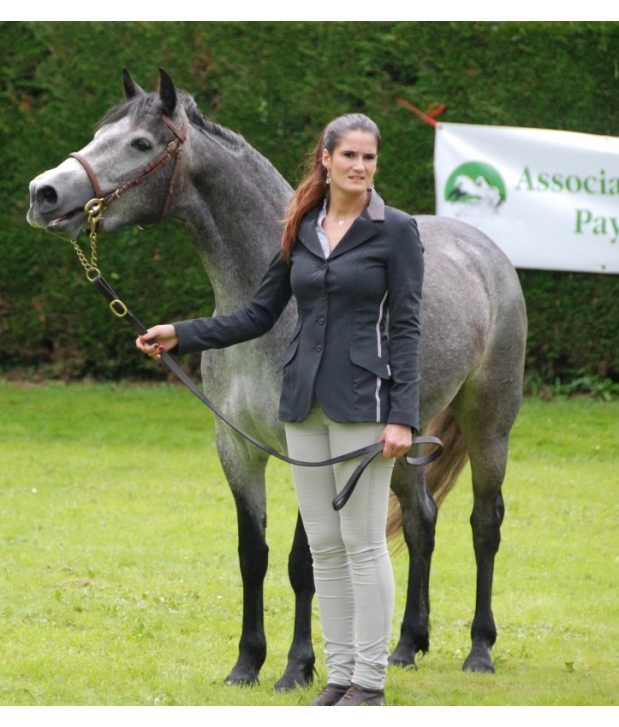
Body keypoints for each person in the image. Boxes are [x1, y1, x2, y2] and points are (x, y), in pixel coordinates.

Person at [136, 113, 424, 707]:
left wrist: (403, 416)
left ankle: (369, 682)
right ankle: (341, 675)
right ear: (326, 158)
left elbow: (407, 329)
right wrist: (180, 334)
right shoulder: (301, 226)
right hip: (302, 403)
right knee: (323, 544)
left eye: (370, 158)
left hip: (363, 405)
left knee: (363, 542)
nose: (361, 168)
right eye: (350, 156)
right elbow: (257, 313)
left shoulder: (395, 231)